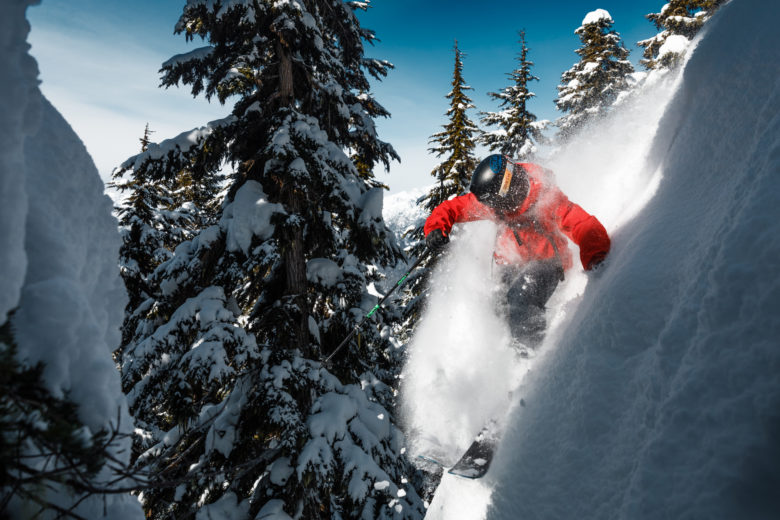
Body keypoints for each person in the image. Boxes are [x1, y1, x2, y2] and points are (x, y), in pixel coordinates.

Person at [424, 154, 611, 352]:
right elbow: (453, 208)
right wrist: (436, 228)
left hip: (548, 262)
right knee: (496, 304)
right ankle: (501, 352)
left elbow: (581, 224)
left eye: (494, 202)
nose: (490, 207)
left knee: (520, 299)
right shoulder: (495, 201)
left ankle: (531, 355)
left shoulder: (546, 198)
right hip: (511, 261)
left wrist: (596, 257)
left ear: (506, 192)